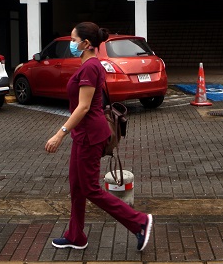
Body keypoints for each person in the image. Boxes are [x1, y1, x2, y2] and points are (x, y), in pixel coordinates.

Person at [45, 21, 153, 251]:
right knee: (76, 186)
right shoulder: (89, 65)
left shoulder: (90, 67)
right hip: (83, 134)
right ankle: (76, 236)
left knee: (90, 189)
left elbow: (83, 107)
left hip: (90, 135)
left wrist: (59, 134)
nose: (71, 43)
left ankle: (139, 222)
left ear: (85, 43)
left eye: (74, 40)